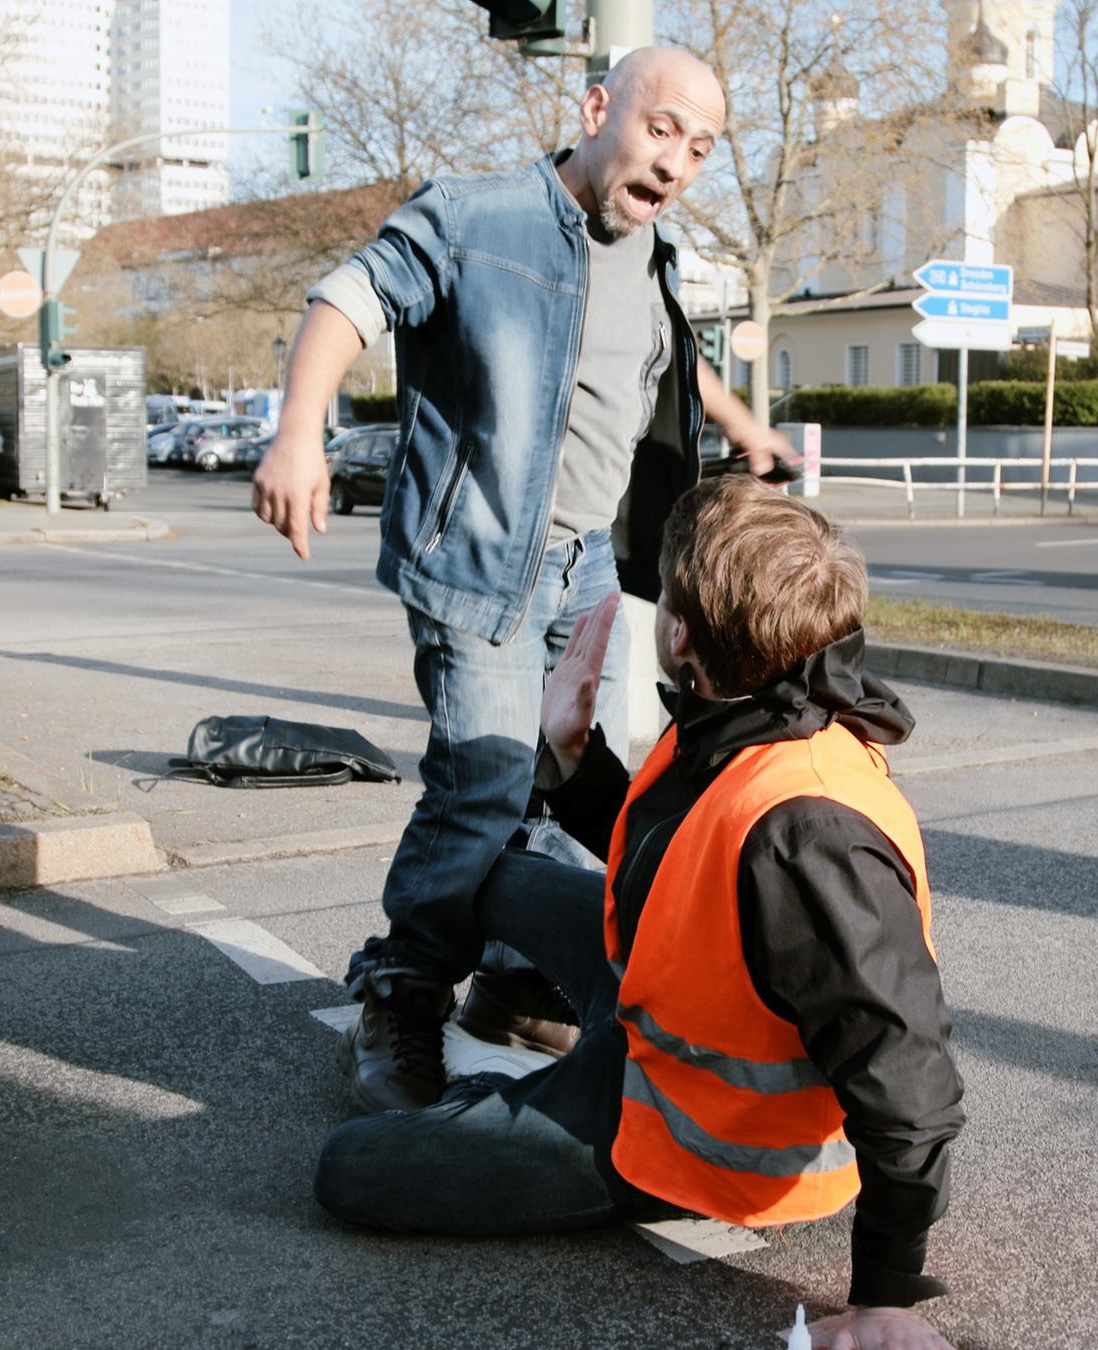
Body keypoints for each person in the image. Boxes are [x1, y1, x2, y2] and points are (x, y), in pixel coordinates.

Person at [251, 47, 794, 1112]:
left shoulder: (652, 254)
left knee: (575, 778)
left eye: (701, 146)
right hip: (478, 563)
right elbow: (347, 300)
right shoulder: (475, 215)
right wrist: (297, 437)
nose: (677, 159)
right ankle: (403, 986)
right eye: (660, 128)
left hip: (586, 560)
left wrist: (742, 430)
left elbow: (671, 359)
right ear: (598, 109)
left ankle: (508, 977)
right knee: (485, 782)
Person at [313, 477, 965, 1350]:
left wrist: (888, 1297)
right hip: (664, 1016)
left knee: (350, 1170)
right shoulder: (751, 706)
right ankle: (515, 1030)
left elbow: (909, 1077)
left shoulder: (810, 832)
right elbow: (670, 872)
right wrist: (574, 757)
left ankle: (518, 1103)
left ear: (682, 635)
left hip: (694, 1137)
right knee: (491, 874)